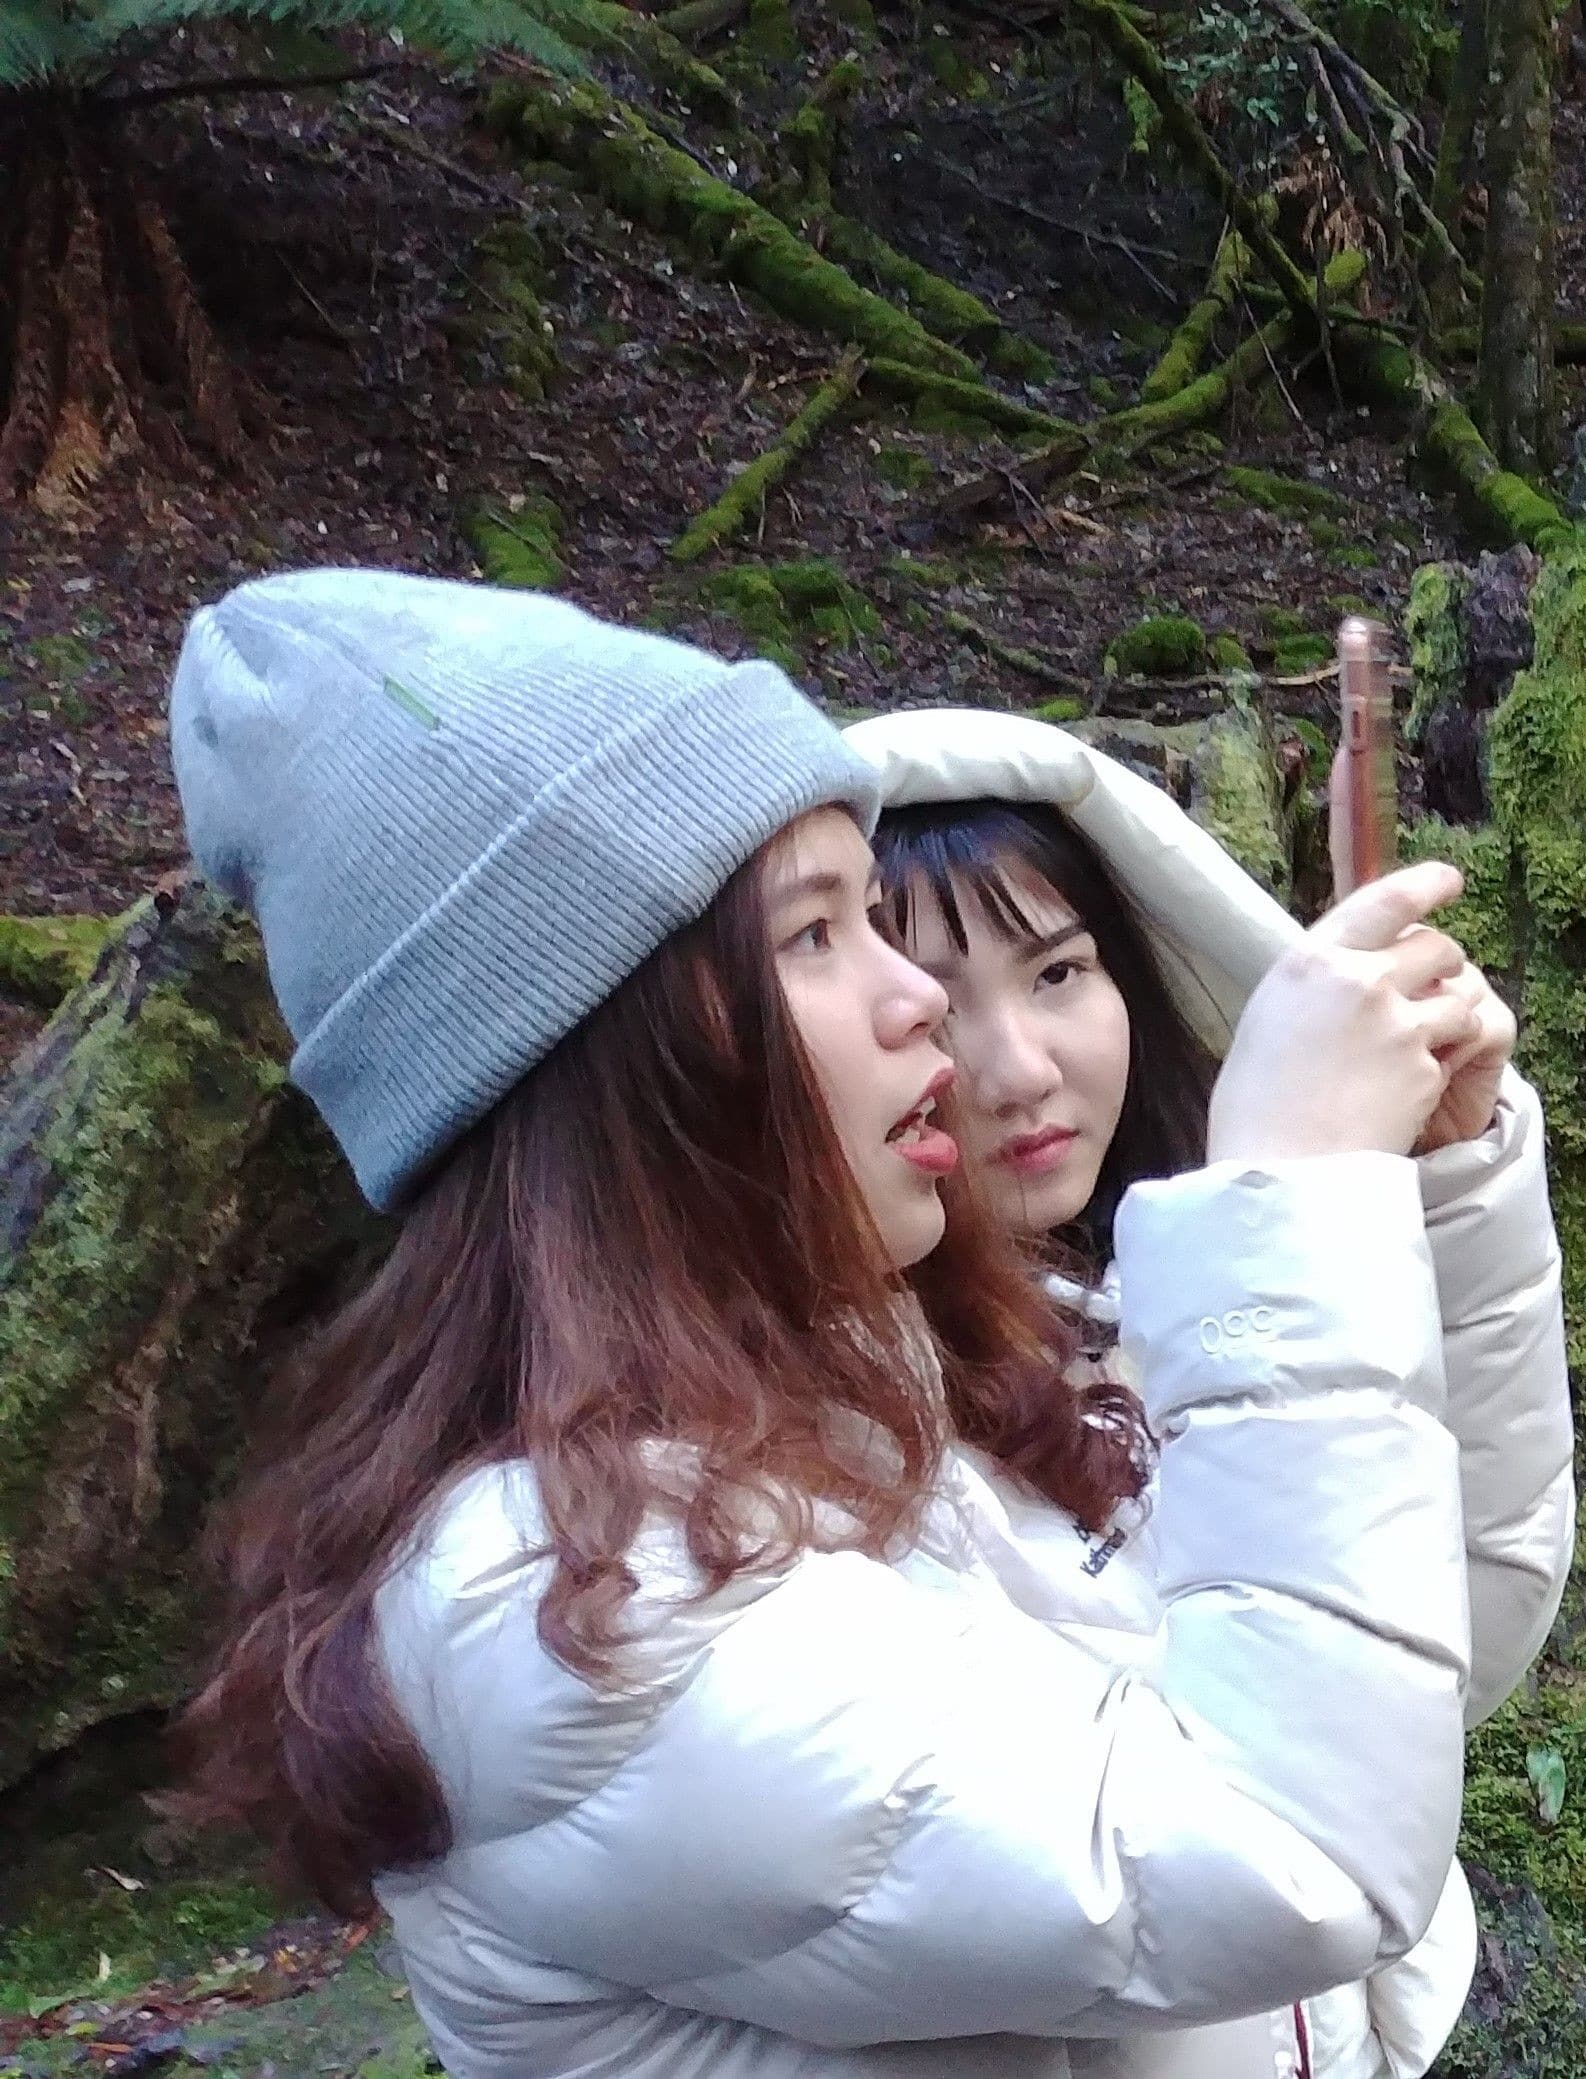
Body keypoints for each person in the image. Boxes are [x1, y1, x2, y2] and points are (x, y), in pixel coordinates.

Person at [165, 570, 1494, 2079]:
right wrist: (1293, 1207)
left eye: (871, 916)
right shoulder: (568, 1611)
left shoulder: (897, 1372)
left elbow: (1437, 1647)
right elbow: (1293, 1855)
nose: (916, 994)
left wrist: (1433, 1195)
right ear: (622, 1060)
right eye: (813, 938)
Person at [844, 706, 1577, 2079]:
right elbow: (1217, 1860)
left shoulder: (1174, 1296)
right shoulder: (847, 1435)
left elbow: (1459, 1629)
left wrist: (1450, 1184)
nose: (1017, 1069)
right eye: (936, 1010)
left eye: (1058, 972)